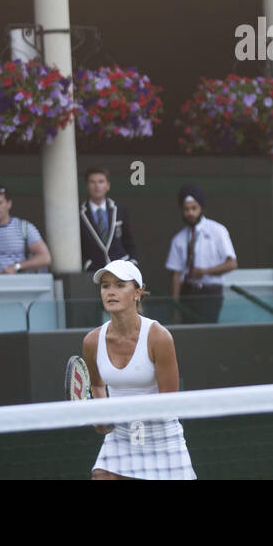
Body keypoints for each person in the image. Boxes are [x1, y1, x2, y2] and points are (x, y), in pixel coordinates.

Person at [82, 259, 195, 480]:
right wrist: (101, 415)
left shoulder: (158, 337)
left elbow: (169, 402)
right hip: (121, 437)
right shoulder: (92, 341)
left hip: (161, 437)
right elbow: (96, 384)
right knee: (101, 476)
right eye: (105, 286)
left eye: (120, 285)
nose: (110, 292)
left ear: (138, 292)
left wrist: (118, 413)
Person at [165, 184, 237, 324]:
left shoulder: (217, 230)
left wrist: (205, 271)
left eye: (194, 208)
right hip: (188, 293)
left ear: (201, 208)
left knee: (207, 332)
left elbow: (232, 263)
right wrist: (175, 304)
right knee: (189, 333)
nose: (190, 213)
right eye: (186, 209)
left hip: (210, 292)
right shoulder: (178, 239)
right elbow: (176, 274)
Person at [79, 167, 138, 273]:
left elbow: (128, 240)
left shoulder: (119, 209)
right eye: (92, 182)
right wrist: (87, 265)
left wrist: (132, 262)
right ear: (87, 186)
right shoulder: (79, 213)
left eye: (101, 182)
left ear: (107, 186)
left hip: (121, 269)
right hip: (94, 271)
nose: (97, 186)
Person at [0, 185, 52, 274]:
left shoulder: (24, 227)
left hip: (20, 283)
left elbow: (45, 258)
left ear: (9, 204)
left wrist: (17, 266)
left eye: (0, 203)